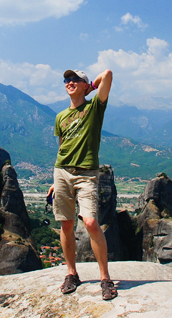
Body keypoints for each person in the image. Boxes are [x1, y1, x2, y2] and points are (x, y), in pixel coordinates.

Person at [47, 68, 116, 301]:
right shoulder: (60, 117)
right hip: (62, 172)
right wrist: (55, 182)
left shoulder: (95, 108)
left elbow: (107, 74)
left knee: (91, 222)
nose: (69, 82)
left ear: (86, 85)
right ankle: (71, 274)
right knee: (65, 225)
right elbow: (61, 147)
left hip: (87, 174)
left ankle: (105, 278)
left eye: (75, 79)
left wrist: (92, 87)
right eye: (67, 79)